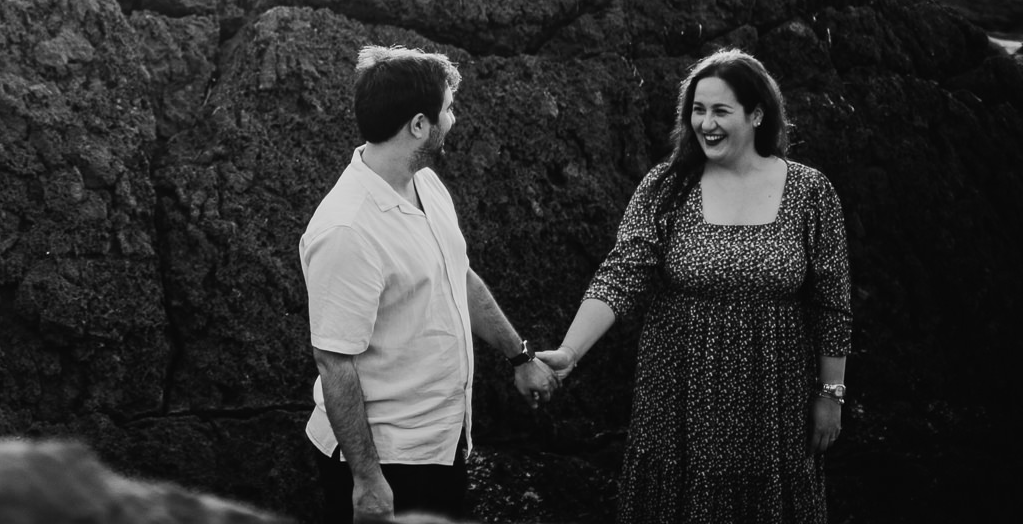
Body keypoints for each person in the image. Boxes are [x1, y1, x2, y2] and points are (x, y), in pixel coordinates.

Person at [538, 49, 852, 523]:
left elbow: (832, 302)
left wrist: (831, 394)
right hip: (680, 393)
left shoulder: (811, 191)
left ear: (757, 114)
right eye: (698, 110)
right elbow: (623, 273)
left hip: (775, 397)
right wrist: (569, 352)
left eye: (721, 110)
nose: (706, 123)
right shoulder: (668, 185)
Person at [300, 45, 560, 523]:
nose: (453, 121)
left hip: (442, 447)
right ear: (418, 125)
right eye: (448, 109)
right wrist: (368, 482)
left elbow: (455, 274)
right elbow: (333, 361)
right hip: (386, 464)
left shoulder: (426, 185)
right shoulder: (347, 229)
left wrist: (519, 356)